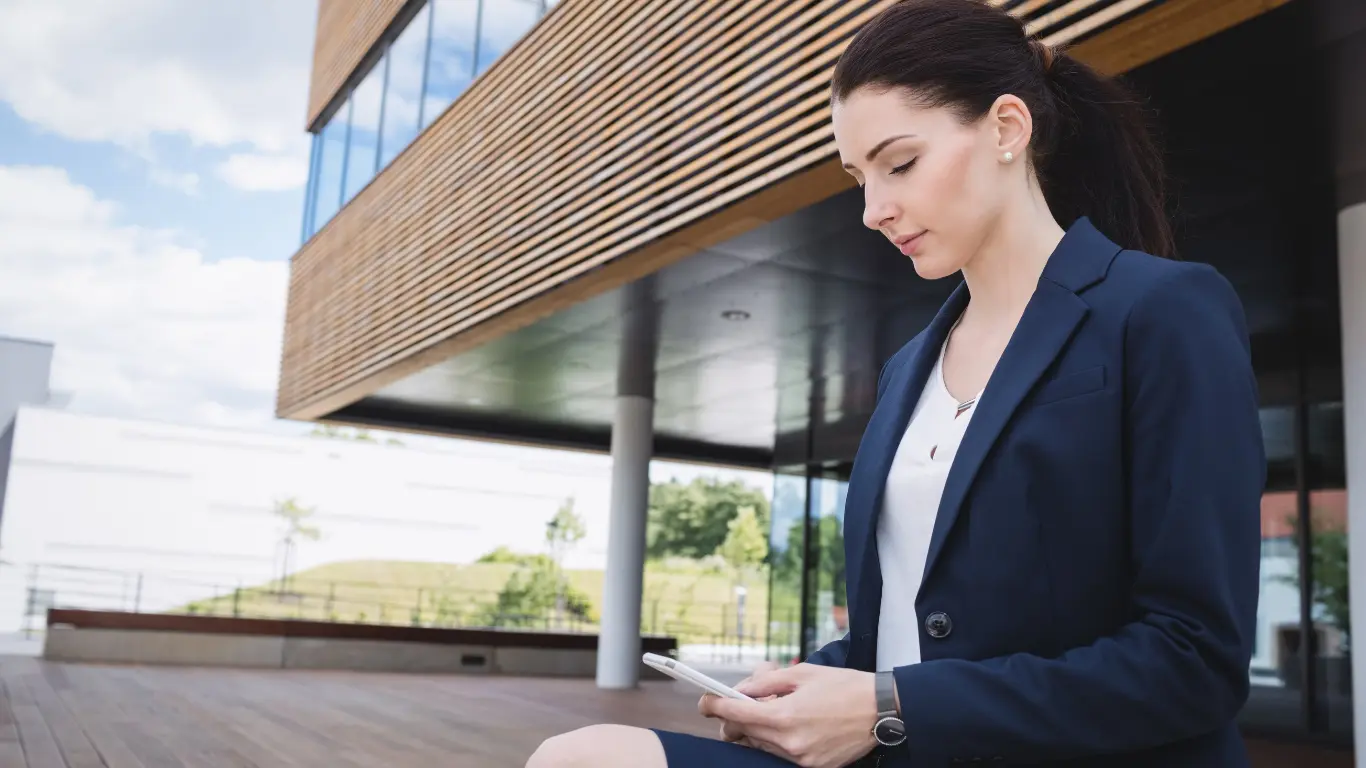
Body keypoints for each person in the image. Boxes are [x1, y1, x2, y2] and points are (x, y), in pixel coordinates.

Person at [526, 0, 1264, 765]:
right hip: (899, 751)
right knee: (585, 754)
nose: (875, 211)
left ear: (1008, 129)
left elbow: (1194, 660)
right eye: (858, 178)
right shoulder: (909, 366)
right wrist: (815, 684)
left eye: (900, 163)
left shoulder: (1161, 311)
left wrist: (889, 707)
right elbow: (910, 629)